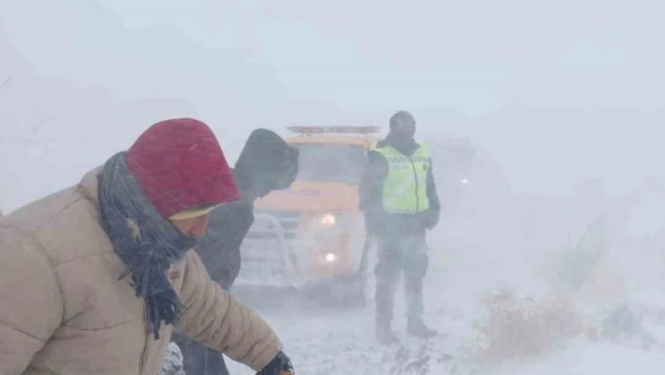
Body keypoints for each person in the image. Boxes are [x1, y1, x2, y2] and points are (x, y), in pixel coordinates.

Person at [0, 118, 295, 375]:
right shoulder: (35, 258)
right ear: (152, 203)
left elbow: (209, 309)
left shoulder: (161, 248)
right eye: (192, 215)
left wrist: (270, 357)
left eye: (208, 213)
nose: (201, 229)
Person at [170, 128, 299, 375]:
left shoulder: (229, 191)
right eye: (271, 184)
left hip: (197, 313)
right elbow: (200, 270)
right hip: (194, 314)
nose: (269, 192)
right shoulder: (234, 207)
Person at [359, 110, 441, 344]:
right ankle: (383, 328)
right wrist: (376, 224)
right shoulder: (380, 155)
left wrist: (434, 209)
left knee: (415, 276)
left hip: (417, 225)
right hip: (390, 227)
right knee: (387, 278)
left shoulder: (422, 152)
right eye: (400, 126)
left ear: (415, 127)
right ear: (392, 128)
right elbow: (367, 193)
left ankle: (415, 323)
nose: (405, 130)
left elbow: (430, 185)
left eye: (409, 125)